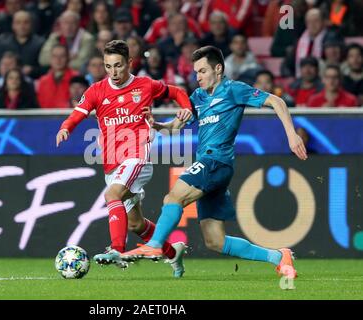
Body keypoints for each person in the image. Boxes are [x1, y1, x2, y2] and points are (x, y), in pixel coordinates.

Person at [121, 46, 308, 279]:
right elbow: (176, 128)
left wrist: (291, 135)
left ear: (218, 69)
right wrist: (159, 125)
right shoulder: (197, 97)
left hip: (216, 160)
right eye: (195, 72)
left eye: (202, 71)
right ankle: (279, 257)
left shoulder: (234, 90)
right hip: (211, 166)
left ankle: (156, 243)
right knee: (215, 241)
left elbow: (277, 102)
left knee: (173, 197)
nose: (197, 77)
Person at [56, 40, 193, 277]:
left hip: (137, 157)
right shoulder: (97, 90)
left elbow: (177, 92)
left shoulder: (145, 85)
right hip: (112, 164)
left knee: (112, 195)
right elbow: (79, 113)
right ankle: (173, 253)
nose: (113, 72)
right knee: (136, 224)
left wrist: (186, 108)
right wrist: (66, 127)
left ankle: (116, 249)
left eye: (118, 65)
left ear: (129, 63)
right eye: (108, 66)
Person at [36, 44, 78, 108]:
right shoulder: (43, 81)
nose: (58, 60)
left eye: (62, 56)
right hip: (46, 117)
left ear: (68, 58)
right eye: (54, 56)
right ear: (50, 59)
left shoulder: (76, 78)